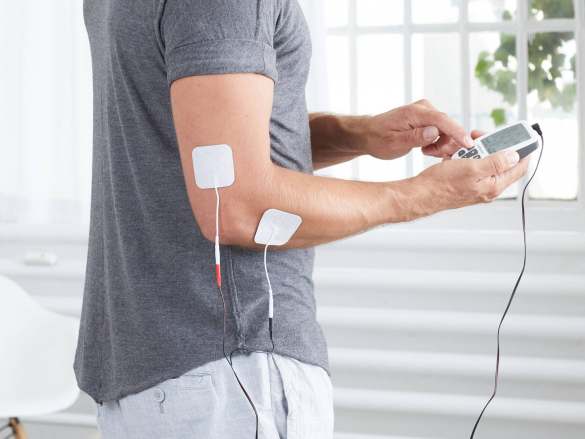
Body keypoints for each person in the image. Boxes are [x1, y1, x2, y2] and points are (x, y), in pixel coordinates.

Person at [74, 1, 529, 438]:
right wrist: (425, 194)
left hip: (155, 371)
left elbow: (213, 135)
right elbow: (238, 207)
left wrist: (359, 135)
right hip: (230, 374)